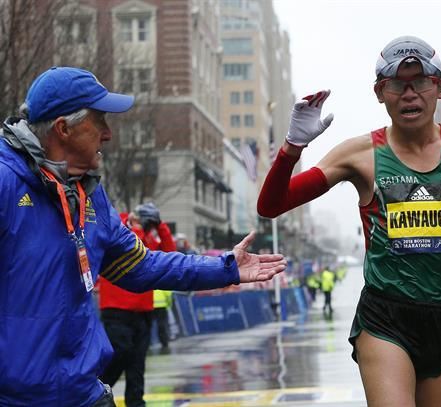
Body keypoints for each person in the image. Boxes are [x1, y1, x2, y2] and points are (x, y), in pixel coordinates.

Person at [257, 35, 441, 406]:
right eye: (397, 84)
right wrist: (291, 148)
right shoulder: (360, 154)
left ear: (440, 88)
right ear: (380, 92)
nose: (410, 95)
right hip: (385, 318)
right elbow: (272, 205)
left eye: (421, 82)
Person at [0, 66, 287, 407]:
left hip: (84, 395)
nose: (108, 134)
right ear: (63, 129)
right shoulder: (6, 183)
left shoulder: (89, 194)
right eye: (99, 121)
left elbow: (142, 266)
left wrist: (225, 268)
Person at [96, 203, 177, 407]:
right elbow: (133, 253)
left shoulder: (148, 239)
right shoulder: (118, 228)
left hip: (143, 311)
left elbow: (170, 254)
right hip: (117, 309)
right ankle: (95, 396)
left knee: (137, 363)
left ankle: (136, 403)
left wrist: (160, 225)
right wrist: (136, 224)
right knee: (120, 354)